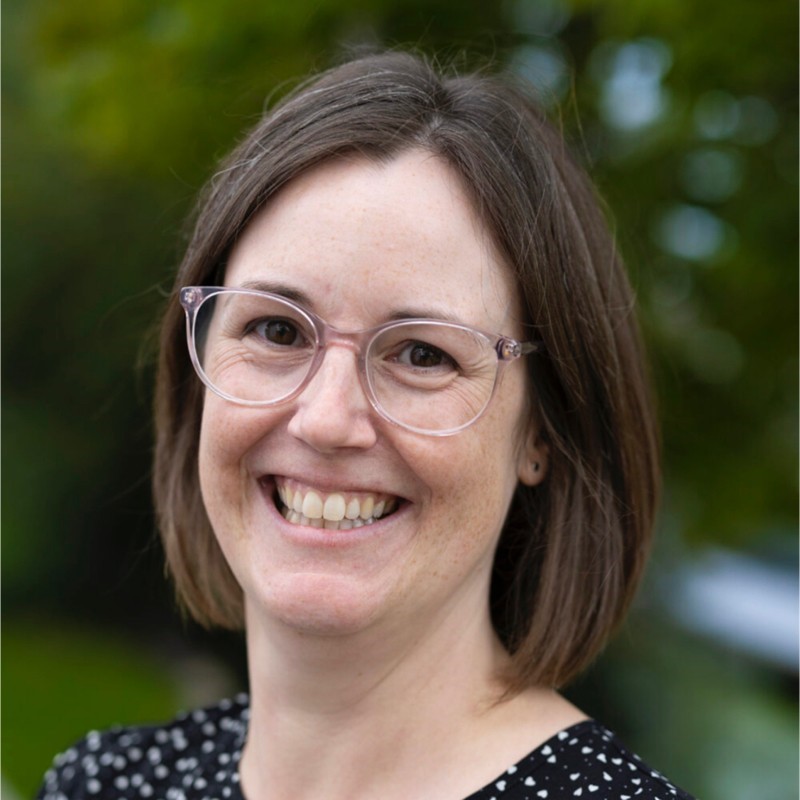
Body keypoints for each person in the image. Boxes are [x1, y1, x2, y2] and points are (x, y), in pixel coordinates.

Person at [37, 50, 694, 799]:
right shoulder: (101, 786)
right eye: (277, 332)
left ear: (542, 430)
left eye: (422, 354)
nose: (325, 420)